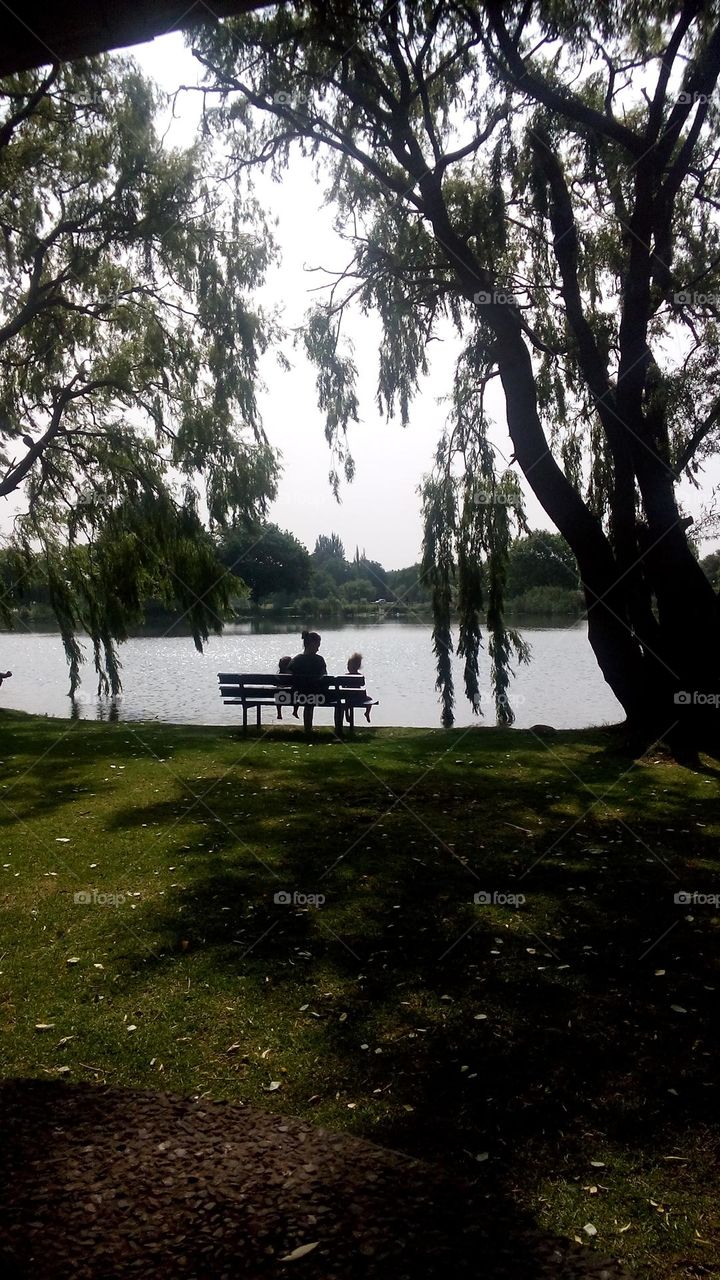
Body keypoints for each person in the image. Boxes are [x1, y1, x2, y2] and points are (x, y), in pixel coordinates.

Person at [288, 631, 343, 736]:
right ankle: (338, 730)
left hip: (299, 696)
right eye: (317, 645)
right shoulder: (319, 660)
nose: (318, 649)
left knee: (308, 700)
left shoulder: (296, 660)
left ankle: (307, 729)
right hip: (318, 695)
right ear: (312, 644)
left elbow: (287, 677)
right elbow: (326, 678)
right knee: (339, 700)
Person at [345, 652, 373, 723]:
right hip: (359, 698)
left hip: (348, 698)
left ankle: (347, 715)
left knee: (345, 704)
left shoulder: (345, 676)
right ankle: (367, 712)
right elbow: (363, 684)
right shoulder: (360, 676)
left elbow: (343, 686)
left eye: (348, 665)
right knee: (370, 700)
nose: (347, 666)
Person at [276, 656, 299, 720]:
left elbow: (276, 685)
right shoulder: (293, 674)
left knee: (278, 695)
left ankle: (279, 713)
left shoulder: (279, 675)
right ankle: (295, 711)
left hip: (281, 697)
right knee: (297, 696)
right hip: (293, 697)